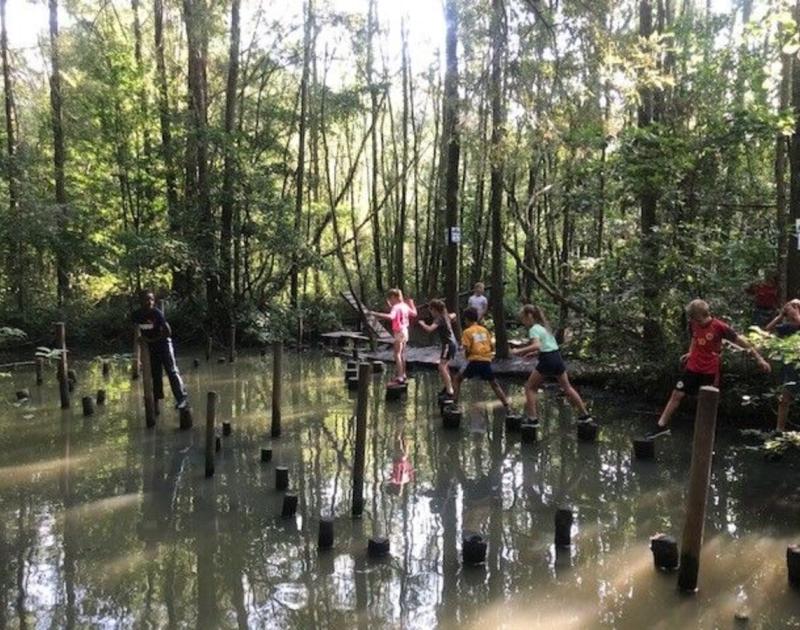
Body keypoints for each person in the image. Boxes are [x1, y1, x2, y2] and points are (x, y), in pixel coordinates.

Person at [646, 299, 771, 438]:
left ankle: (705, 434)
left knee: (706, 400)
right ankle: (661, 426)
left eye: (693, 317)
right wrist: (691, 352)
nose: (692, 319)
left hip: (709, 370)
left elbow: (743, 343)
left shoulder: (719, 327)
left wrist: (760, 359)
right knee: (677, 394)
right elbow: (695, 338)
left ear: (700, 315)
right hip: (693, 367)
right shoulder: (693, 324)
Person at [510, 304, 593, 426]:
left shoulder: (534, 329)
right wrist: (533, 354)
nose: (523, 322)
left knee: (529, 387)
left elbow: (536, 345)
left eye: (523, 318)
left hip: (548, 360)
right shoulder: (543, 328)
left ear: (529, 316)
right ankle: (585, 415)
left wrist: (518, 351)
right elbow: (547, 346)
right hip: (557, 358)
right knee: (567, 387)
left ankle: (532, 419)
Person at [132, 290, 189, 409]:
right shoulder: (137, 314)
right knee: (155, 374)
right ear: (140, 301)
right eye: (147, 299)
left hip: (164, 345)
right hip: (151, 348)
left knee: (172, 371)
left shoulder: (156, 313)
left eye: (151, 299)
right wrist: (139, 341)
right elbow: (134, 329)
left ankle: (182, 399)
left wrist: (149, 340)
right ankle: (156, 402)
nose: (149, 302)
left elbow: (168, 332)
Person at [452, 307, 510, 410]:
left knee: (457, 379)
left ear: (466, 319)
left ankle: (454, 404)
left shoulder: (467, 332)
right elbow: (491, 347)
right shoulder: (485, 330)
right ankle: (507, 406)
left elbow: (466, 348)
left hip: (473, 361)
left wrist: (462, 350)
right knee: (494, 384)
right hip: (486, 361)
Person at [765, 300, 800, 432]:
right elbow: (767, 330)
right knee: (784, 399)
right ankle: (779, 429)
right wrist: (780, 316)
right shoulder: (787, 327)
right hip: (790, 368)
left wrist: (796, 313)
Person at [372, 288, 417, 384]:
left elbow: (391, 317)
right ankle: (403, 374)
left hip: (399, 332)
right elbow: (414, 313)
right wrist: (412, 304)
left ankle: (400, 376)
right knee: (402, 354)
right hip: (405, 331)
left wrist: (375, 314)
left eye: (390, 299)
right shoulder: (404, 306)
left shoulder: (396, 307)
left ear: (394, 297)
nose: (390, 301)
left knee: (396, 354)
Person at [416, 299, 457, 398]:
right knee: (445, 366)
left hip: (448, 344)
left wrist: (422, 323)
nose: (431, 313)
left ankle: (450, 391)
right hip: (452, 343)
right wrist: (452, 317)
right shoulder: (446, 315)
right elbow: (454, 314)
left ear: (434, 310)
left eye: (431, 310)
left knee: (441, 367)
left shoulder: (439, 318)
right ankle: (448, 387)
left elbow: (430, 329)